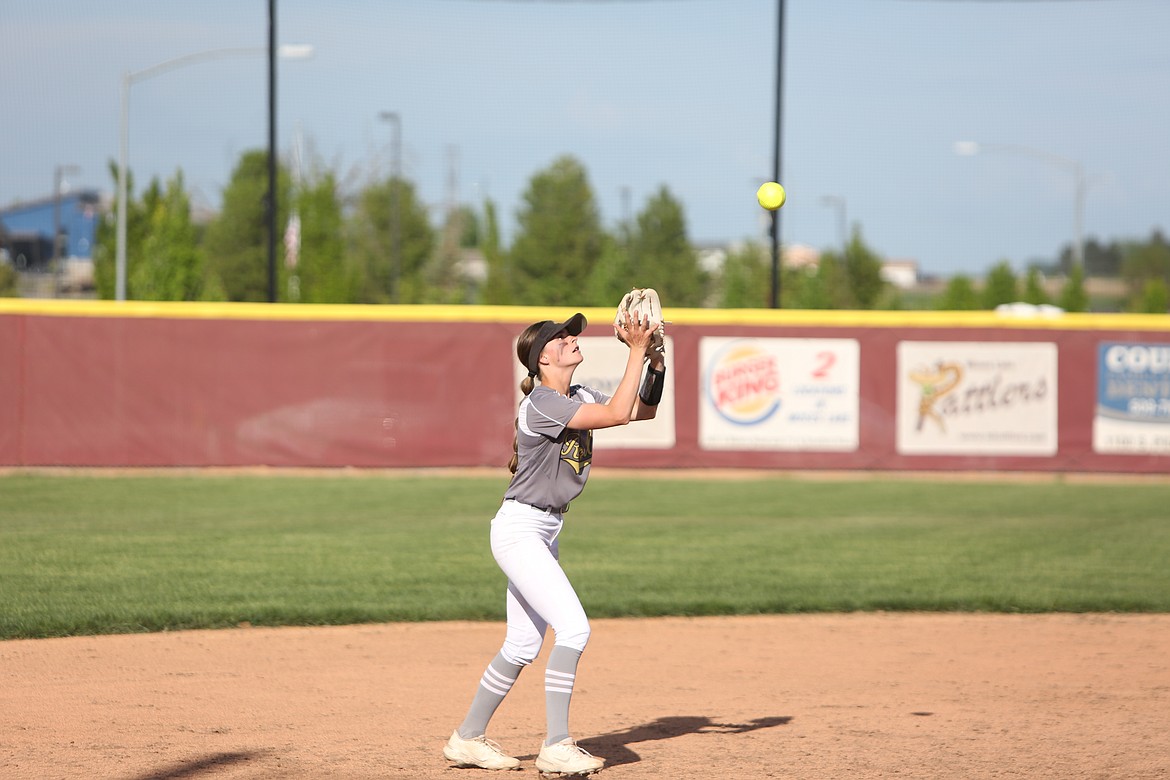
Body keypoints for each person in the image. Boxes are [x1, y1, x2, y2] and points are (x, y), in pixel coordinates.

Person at [443, 309, 667, 775]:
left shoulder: (577, 393)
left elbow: (639, 411)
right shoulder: (542, 403)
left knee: (523, 644)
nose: (570, 339)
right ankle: (558, 744)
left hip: (543, 530)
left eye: (570, 334)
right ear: (542, 358)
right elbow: (613, 414)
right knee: (575, 629)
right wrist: (637, 351)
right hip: (520, 528)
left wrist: (655, 366)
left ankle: (466, 738)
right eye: (561, 337)